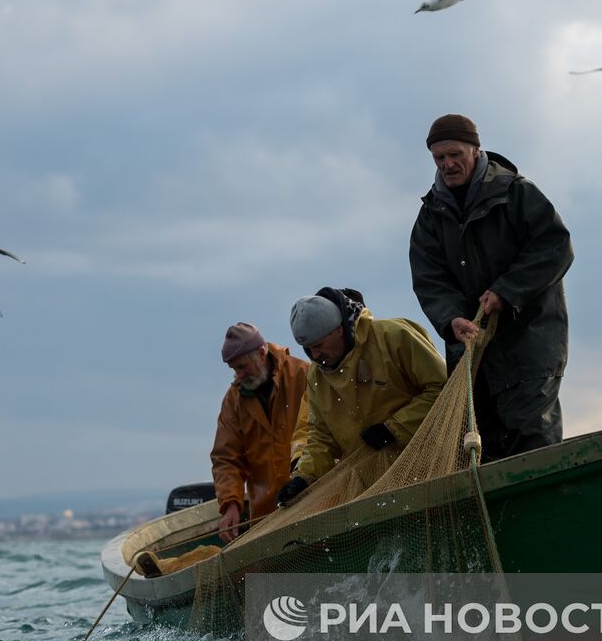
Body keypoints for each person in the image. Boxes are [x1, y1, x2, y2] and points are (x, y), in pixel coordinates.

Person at [408, 113, 574, 461]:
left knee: (532, 441)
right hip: (472, 357)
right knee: (482, 449)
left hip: (530, 346)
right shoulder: (429, 217)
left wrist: (507, 290)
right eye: (439, 158)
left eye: (455, 155)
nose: (448, 164)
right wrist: (451, 318)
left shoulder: (517, 193)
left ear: (476, 150)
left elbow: (555, 246)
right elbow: (429, 279)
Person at [277, 288, 447, 506]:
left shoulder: (394, 336)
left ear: (338, 330)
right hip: (376, 491)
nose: (315, 355)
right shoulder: (316, 375)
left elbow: (442, 386)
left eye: (318, 345)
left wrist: (394, 428)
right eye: (307, 349)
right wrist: (303, 477)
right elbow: (321, 436)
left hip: (434, 467)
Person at [210, 322, 311, 543]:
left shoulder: (304, 375)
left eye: (243, 366)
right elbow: (226, 458)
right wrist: (231, 504)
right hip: (267, 517)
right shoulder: (233, 400)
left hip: (314, 500)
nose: (239, 375)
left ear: (262, 353)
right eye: (234, 369)